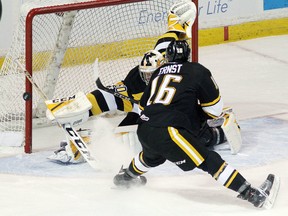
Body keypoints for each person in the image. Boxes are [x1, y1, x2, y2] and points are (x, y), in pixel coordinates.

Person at [47, 0, 229, 164]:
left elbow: (174, 32)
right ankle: (88, 139)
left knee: (188, 139)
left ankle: (217, 134)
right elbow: (111, 97)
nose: (147, 78)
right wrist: (81, 106)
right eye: (145, 74)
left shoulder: (178, 66)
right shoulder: (138, 78)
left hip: (175, 114)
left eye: (151, 75)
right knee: (135, 137)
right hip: (149, 112)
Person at [112, 40, 280, 209]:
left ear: (168, 57)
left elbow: (143, 108)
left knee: (150, 157)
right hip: (169, 130)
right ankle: (253, 195)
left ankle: (125, 178)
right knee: (209, 160)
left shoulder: (157, 73)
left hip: (145, 128)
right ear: (188, 55)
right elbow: (214, 111)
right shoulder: (198, 71)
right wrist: (194, 112)